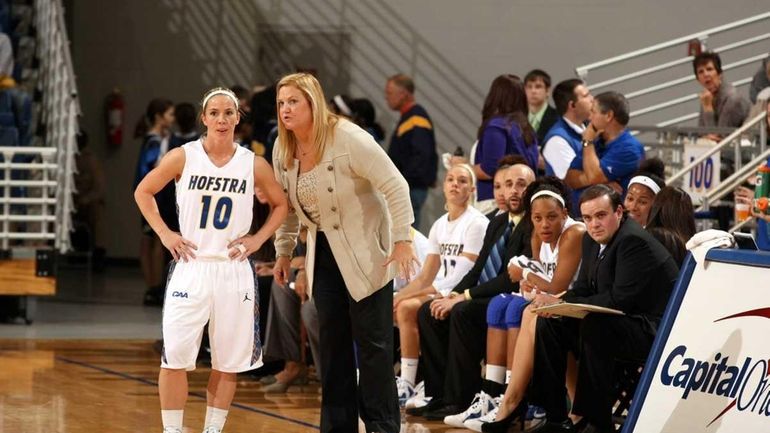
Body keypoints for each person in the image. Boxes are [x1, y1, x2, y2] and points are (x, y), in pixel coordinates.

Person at [134, 87, 288, 433]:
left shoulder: (253, 163)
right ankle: (172, 431)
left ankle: (212, 430)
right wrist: (165, 234)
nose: (222, 119)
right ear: (204, 118)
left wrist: (257, 239)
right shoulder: (183, 157)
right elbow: (143, 191)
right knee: (174, 358)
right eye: (215, 113)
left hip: (233, 270)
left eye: (229, 113)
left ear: (238, 118)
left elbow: (281, 205)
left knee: (227, 362)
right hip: (192, 265)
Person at [272, 72, 416, 433]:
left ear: (313, 104)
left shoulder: (349, 138)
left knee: (374, 347)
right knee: (333, 348)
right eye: (281, 103)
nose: (286, 110)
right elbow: (287, 207)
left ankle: (383, 426)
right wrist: (284, 252)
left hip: (368, 251)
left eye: (294, 102)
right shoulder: (282, 146)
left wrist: (402, 240)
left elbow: (395, 185)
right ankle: (337, 427)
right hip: (323, 254)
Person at [526, 184, 679, 433]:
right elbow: (585, 288)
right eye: (587, 218)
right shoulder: (590, 240)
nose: (594, 224)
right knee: (550, 322)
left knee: (596, 325)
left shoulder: (632, 241)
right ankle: (555, 417)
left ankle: (595, 422)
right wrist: (555, 303)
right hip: (620, 323)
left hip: (654, 330)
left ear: (618, 212)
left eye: (601, 215)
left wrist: (564, 304)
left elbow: (619, 301)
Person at [449, 178, 585, 431]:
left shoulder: (574, 233)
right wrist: (530, 283)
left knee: (530, 314)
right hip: (556, 308)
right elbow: (543, 284)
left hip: (579, 306)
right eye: (537, 218)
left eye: (551, 217)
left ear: (565, 213)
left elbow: (556, 287)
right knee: (505, 306)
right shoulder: (538, 236)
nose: (544, 224)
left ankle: (513, 402)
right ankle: (499, 396)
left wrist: (525, 276)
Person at [410, 163, 535, 420]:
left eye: (521, 185)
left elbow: (508, 280)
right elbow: (478, 270)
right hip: (486, 294)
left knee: (462, 312)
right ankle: (438, 393)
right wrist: (451, 295)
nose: (513, 191)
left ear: (531, 188)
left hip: (510, 297)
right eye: (508, 184)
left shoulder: (532, 225)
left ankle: (460, 398)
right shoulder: (498, 222)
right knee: (428, 311)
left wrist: (463, 297)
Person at [392, 164, 489, 405]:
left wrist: (425, 294)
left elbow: (465, 274)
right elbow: (426, 276)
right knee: (399, 304)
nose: (455, 184)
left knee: (408, 308)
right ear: (444, 186)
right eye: (450, 179)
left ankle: (410, 380)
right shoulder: (439, 225)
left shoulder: (476, 223)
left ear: (472, 189)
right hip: (440, 288)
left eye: (462, 180)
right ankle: (412, 381)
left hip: (461, 291)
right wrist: (398, 296)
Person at [472, 74, 539, 214]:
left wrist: (464, 167)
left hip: (495, 203)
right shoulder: (526, 128)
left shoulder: (496, 127)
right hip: (523, 199)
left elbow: (490, 169)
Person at [133, 98, 175, 306]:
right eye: (170, 115)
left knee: (151, 240)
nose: (173, 119)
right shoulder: (154, 141)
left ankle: (153, 285)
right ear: (159, 117)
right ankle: (154, 284)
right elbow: (150, 169)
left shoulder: (159, 138)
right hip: (153, 197)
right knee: (154, 240)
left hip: (157, 197)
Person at [385, 73, 438, 228]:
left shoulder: (416, 118)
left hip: (411, 188)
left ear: (403, 94)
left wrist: (404, 183)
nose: (386, 97)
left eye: (389, 93)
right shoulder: (409, 117)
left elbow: (421, 155)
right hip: (408, 186)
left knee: (408, 234)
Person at [570, 91, 645, 198]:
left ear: (609, 115)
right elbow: (569, 178)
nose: (589, 117)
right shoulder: (595, 141)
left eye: (593, 112)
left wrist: (587, 141)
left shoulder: (629, 148)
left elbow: (593, 177)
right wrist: (602, 184)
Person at [542, 79, 594, 213]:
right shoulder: (557, 140)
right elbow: (573, 179)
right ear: (572, 105)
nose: (592, 99)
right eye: (586, 96)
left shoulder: (589, 129)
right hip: (575, 216)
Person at [693, 51, 751, 131]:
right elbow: (701, 132)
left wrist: (708, 108)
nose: (705, 74)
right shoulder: (707, 96)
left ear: (719, 74)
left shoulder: (732, 98)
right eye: (701, 72)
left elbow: (721, 137)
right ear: (698, 80)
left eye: (709, 69)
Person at [524, 69, 558, 152]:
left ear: (547, 91)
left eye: (538, 87)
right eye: (529, 87)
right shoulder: (517, 118)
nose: (533, 91)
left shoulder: (557, 118)